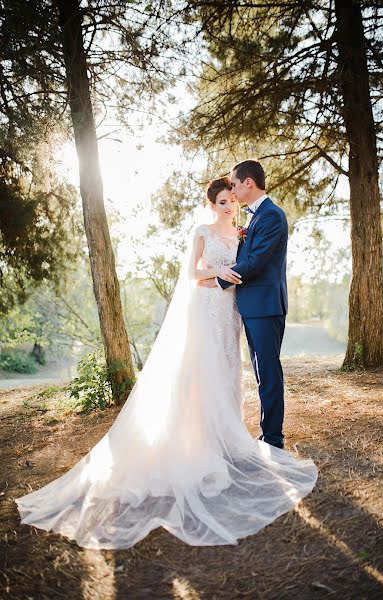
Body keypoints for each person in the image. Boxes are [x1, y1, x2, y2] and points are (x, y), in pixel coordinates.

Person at [15, 176, 317, 550]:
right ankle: (200, 443)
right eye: (222, 201)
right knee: (203, 376)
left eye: (231, 200)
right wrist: (219, 274)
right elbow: (193, 274)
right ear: (212, 205)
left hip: (232, 313)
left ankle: (228, 437)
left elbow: (252, 263)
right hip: (209, 309)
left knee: (228, 374)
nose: (229, 205)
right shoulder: (202, 231)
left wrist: (229, 278)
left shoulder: (243, 231)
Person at [200, 159, 288, 449]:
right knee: (262, 373)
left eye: (236, 185)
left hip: (265, 306)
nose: (234, 193)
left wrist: (218, 281)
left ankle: (273, 439)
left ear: (248, 182)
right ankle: (267, 434)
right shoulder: (254, 217)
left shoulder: (272, 216)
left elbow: (255, 262)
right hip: (250, 307)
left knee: (269, 373)